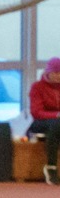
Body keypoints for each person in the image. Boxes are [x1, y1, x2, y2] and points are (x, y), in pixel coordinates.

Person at [28, 56, 60, 185]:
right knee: (56, 126)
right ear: (48, 72)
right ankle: (51, 167)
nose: (58, 76)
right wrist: (57, 115)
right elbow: (36, 112)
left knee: (56, 127)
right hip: (40, 122)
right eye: (55, 73)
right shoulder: (37, 87)